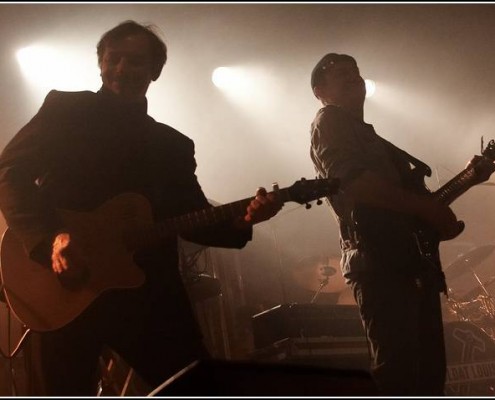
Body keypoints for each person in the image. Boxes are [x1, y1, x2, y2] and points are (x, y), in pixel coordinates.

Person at [0, 20, 283, 396]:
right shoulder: (65, 110)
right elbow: (9, 174)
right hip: (65, 281)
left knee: (198, 387)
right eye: (113, 59)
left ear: (155, 70)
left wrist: (245, 219)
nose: (122, 69)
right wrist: (48, 240)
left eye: (135, 61)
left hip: (148, 293)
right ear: (99, 63)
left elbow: (194, 218)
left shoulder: (171, 145)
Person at [309, 53, 465, 395]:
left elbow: (408, 207)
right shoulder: (329, 120)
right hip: (379, 261)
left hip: (407, 261)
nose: (354, 77)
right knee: (400, 378)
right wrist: (428, 210)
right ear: (320, 92)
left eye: (356, 72)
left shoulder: (371, 137)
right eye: (341, 75)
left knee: (427, 379)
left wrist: (469, 178)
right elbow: (355, 183)